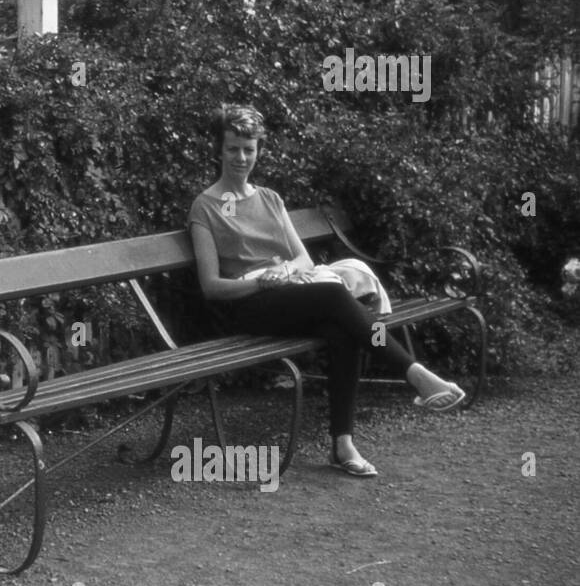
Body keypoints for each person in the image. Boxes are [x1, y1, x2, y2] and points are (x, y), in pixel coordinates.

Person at [187, 105, 466, 477]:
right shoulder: (205, 207)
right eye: (233, 148)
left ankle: (342, 444)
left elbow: (302, 259)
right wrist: (260, 281)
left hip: (288, 294)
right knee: (336, 298)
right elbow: (211, 287)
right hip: (247, 305)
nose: (241, 158)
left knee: (342, 330)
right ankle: (414, 374)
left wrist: (284, 272)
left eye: (249, 149)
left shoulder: (270, 199)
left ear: (259, 150)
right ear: (218, 150)